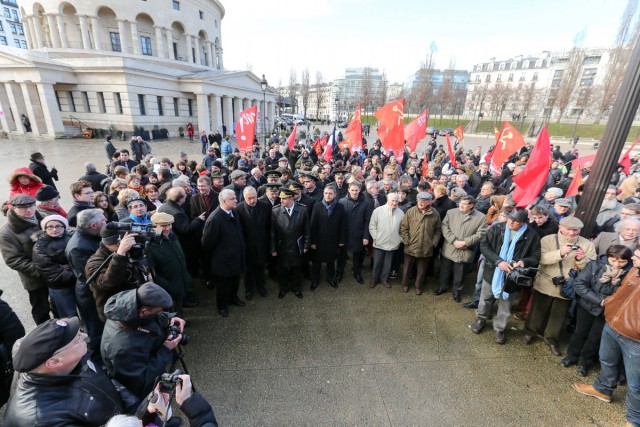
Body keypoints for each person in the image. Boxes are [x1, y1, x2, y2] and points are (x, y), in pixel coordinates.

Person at [3, 317, 138, 426]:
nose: (84, 336)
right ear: (54, 362)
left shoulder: (72, 359)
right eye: (77, 339)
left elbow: (104, 380)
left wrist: (135, 406)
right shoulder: (42, 421)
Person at [572, 246, 640, 427]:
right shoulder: (634, 270)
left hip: (635, 338)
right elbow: (620, 294)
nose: (634, 258)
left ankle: (634, 420)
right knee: (607, 361)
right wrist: (610, 306)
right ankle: (603, 389)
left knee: (635, 385)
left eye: (638, 257)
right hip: (613, 324)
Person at [523, 216, 597, 355]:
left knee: (559, 314)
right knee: (538, 309)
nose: (573, 233)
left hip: (568, 286)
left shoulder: (587, 245)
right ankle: (530, 331)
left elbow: (592, 267)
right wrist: (560, 253)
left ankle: (551, 338)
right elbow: (541, 259)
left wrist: (581, 260)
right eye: (569, 230)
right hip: (547, 281)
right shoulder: (548, 240)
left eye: (576, 230)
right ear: (560, 228)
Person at [101, 283, 185, 400]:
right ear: (144, 311)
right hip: (141, 396)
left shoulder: (126, 309)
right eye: (157, 311)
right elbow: (140, 384)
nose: (159, 313)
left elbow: (150, 319)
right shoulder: (124, 347)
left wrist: (169, 319)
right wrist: (165, 350)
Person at [470, 208, 541, 344]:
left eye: (515, 221)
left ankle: (500, 328)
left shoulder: (532, 235)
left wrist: (524, 262)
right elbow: (484, 245)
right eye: (510, 218)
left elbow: (536, 255)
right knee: (485, 298)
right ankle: (481, 319)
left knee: (506, 303)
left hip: (513, 276)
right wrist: (498, 261)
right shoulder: (498, 228)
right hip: (493, 270)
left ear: (523, 223)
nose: (511, 222)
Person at [562, 245, 633, 377]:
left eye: (622, 262)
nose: (617, 264)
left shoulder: (630, 273)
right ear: (607, 257)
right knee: (579, 332)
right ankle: (572, 356)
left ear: (628, 260)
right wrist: (599, 300)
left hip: (608, 309)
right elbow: (580, 284)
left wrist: (609, 302)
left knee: (595, 337)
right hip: (587, 304)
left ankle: (585, 362)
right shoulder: (594, 265)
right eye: (613, 260)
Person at [0, 194, 51, 325]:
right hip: (35, 279)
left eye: (31, 206)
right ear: (13, 208)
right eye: (23, 208)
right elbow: (13, 260)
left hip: (56, 272)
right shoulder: (6, 232)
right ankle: (46, 337)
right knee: (41, 310)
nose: (28, 210)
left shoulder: (44, 219)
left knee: (60, 305)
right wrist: (43, 271)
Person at [85, 225, 151, 321]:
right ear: (117, 242)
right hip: (116, 313)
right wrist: (120, 255)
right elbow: (106, 283)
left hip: (135, 304)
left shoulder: (129, 251)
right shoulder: (95, 262)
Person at [66, 208, 107, 352]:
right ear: (93, 226)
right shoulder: (78, 247)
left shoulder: (93, 236)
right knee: (96, 329)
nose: (106, 221)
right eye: (103, 219)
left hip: (96, 290)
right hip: (90, 293)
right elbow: (92, 274)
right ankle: (98, 360)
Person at [201, 189, 246, 317]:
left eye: (235, 198)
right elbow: (207, 243)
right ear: (223, 201)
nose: (236, 200)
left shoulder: (233, 212)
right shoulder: (214, 219)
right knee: (223, 286)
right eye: (233, 199)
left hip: (235, 257)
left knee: (235, 281)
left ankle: (233, 298)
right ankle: (222, 306)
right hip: (223, 261)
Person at [436, 196, 487, 302]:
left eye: (464, 204)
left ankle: (457, 291)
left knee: (460, 272)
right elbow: (445, 227)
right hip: (450, 246)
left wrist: (465, 242)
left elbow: (481, 233)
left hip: (465, 249)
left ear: (471, 205)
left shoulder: (481, 217)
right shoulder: (451, 212)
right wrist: (454, 241)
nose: (461, 205)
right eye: (460, 203)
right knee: (445, 270)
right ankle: (443, 286)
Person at [147, 213, 192, 316]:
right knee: (170, 310)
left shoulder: (172, 235)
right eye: (163, 225)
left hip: (180, 280)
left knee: (178, 304)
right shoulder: (150, 245)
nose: (168, 228)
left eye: (170, 224)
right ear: (154, 226)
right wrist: (167, 285)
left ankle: (180, 318)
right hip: (168, 286)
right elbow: (152, 271)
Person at [32, 214, 77, 318]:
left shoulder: (72, 237)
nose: (54, 229)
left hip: (77, 282)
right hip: (60, 287)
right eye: (50, 226)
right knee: (69, 316)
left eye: (58, 226)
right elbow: (49, 270)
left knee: (85, 312)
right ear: (45, 228)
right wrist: (74, 272)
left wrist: (68, 267)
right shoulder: (40, 246)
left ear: (64, 227)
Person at [271, 187, 310, 299]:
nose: (281, 201)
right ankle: (283, 288)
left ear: (291, 198)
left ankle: (296, 288)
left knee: (296, 268)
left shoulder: (302, 209)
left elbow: (306, 229)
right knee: (282, 269)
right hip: (281, 245)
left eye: (283, 199)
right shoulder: (275, 211)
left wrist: (306, 244)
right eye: (281, 198)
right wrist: (273, 248)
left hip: (297, 245)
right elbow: (272, 232)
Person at [400, 192, 442, 295]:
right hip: (411, 246)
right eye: (419, 200)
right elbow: (403, 228)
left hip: (426, 247)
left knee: (422, 269)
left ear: (429, 202)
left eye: (423, 201)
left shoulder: (435, 213)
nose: (421, 203)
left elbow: (438, 230)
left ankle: (418, 286)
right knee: (407, 268)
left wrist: (433, 243)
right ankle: (405, 284)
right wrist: (406, 241)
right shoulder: (410, 211)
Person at [236, 186, 271, 300]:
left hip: (262, 244)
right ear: (243, 197)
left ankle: (261, 287)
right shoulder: (238, 209)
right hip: (247, 246)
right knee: (248, 270)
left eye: (254, 197)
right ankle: (249, 289)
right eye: (249, 198)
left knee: (261, 267)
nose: (252, 201)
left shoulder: (266, 206)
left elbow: (269, 226)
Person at [309, 184, 346, 290]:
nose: (328, 195)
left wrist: (342, 240)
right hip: (319, 240)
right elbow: (313, 226)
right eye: (326, 193)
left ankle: (331, 278)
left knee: (331, 260)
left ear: (335, 194)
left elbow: (343, 225)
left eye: (330, 193)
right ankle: (315, 279)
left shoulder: (340, 207)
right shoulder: (317, 206)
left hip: (333, 240)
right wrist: (312, 242)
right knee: (316, 261)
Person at [337, 181, 373, 284]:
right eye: (352, 190)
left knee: (358, 256)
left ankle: (356, 272)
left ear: (360, 190)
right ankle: (339, 272)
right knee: (342, 255)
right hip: (345, 234)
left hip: (359, 234)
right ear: (348, 190)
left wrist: (366, 236)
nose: (354, 192)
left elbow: (367, 221)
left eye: (356, 190)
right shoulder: (342, 202)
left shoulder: (366, 203)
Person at [368, 192, 404, 289]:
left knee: (388, 264)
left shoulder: (401, 213)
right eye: (393, 200)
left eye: (397, 201)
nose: (395, 203)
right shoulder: (378, 211)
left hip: (393, 243)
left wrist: (399, 240)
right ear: (388, 200)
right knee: (377, 263)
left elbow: (403, 229)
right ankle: (374, 279)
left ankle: (384, 279)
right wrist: (376, 237)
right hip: (379, 242)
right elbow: (372, 226)